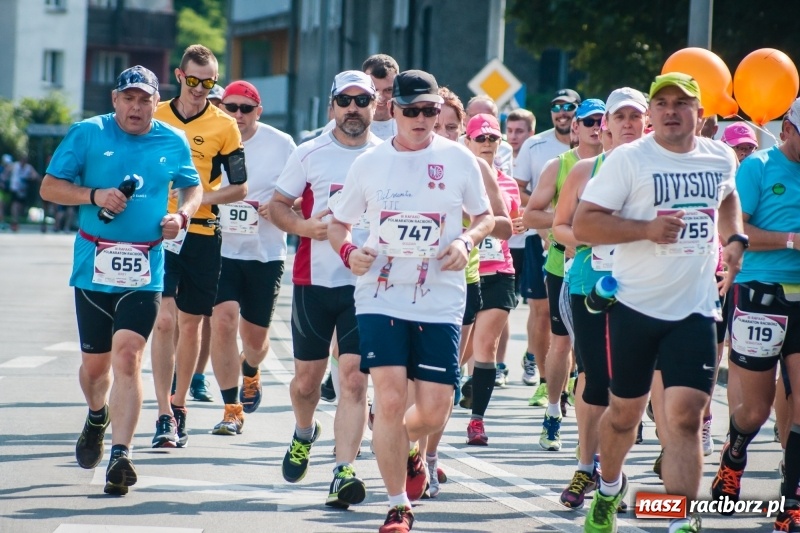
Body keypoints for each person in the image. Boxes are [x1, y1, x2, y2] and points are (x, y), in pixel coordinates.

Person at [574, 72, 744, 533]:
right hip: (634, 308)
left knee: (686, 417)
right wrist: (644, 230)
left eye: (682, 103)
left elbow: (727, 197)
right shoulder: (629, 160)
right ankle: (609, 489)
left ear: (700, 114)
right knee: (624, 415)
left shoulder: (719, 156)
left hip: (695, 310)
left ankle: (682, 520)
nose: (671, 110)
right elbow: (586, 224)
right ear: (650, 115)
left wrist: (734, 237)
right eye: (662, 103)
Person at [329, 69, 494, 533]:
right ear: (393, 111)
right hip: (380, 295)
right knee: (390, 395)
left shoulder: (459, 160)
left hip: (440, 297)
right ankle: (398, 505)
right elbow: (338, 226)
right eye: (412, 111)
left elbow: (486, 218)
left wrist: (466, 241)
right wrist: (348, 252)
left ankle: (403, 446)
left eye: (430, 111)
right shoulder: (368, 164)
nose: (422, 119)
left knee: (436, 408)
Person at [39, 65, 202, 495]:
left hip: (146, 268)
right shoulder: (87, 133)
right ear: (115, 101)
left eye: (145, 99)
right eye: (128, 98)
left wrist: (180, 216)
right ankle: (97, 415)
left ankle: (121, 454)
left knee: (128, 356)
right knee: (96, 369)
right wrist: (93, 195)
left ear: (156, 101)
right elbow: (50, 188)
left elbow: (192, 186)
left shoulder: (172, 139)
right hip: (94, 264)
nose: (136, 106)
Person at [269, 70, 382, 509]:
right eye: (345, 101)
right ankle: (303, 432)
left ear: (376, 106)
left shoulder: (386, 155)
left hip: (366, 286)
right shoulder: (309, 152)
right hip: (314, 281)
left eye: (362, 101)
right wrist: (302, 226)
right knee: (305, 384)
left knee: (354, 381)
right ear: (332, 105)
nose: (353, 109)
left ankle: (343, 471)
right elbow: (276, 206)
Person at [551, 86, 647, 509]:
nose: (628, 125)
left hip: (644, 287)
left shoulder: (659, 170)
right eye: (619, 117)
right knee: (593, 383)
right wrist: (592, 237)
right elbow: (559, 227)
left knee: (629, 386)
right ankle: (586, 467)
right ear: (605, 125)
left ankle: (613, 473)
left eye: (635, 117)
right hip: (590, 284)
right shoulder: (585, 169)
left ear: (647, 123)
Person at [150, 44, 247, 448]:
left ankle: (181, 402)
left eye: (208, 84)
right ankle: (162, 413)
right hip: (159, 232)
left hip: (203, 233)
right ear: (179, 76)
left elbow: (240, 187)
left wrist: (197, 199)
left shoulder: (225, 125)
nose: (200, 90)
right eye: (193, 81)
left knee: (190, 325)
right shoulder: (155, 116)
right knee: (165, 321)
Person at [710, 99, 800, 531]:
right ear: (787, 129)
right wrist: (790, 241)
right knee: (756, 410)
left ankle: (791, 500)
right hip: (761, 292)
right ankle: (735, 452)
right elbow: (736, 231)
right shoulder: (758, 167)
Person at [208, 80, 296, 435]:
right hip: (220, 251)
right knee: (223, 322)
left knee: (256, 341)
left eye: (246, 108)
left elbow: (304, 196)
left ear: (258, 112)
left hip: (265, 253)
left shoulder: (282, 144)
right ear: (221, 109)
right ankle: (232, 408)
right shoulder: (209, 137)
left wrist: (275, 209)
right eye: (231, 108)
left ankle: (252, 369)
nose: (239, 115)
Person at [524, 98, 605, 451]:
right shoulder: (561, 166)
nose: (596, 127)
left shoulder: (627, 163)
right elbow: (530, 216)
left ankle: (603, 424)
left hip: (612, 270)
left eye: (603, 120)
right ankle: (554, 411)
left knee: (602, 351)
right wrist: (565, 225)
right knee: (562, 342)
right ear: (576, 128)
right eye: (588, 122)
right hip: (563, 265)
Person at [515, 88, 580, 392]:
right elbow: (519, 191)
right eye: (556, 106)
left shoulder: (604, 149)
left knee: (580, 322)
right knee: (541, 312)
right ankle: (544, 379)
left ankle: (574, 378)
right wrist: (552, 223)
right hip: (538, 238)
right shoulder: (536, 144)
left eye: (569, 106)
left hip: (585, 245)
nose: (562, 111)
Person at [462, 113, 520, 445]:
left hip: (498, 271)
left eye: (492, 139)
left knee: (486, 345)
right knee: (458, 351)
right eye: (480, 138)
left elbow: (511, 224)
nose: (486, 144)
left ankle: (477, 420)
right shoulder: (455, 177)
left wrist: (517, 224)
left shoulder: (507, 183)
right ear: (467, 142)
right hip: (462, 272)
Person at [498, 109, 536, 386]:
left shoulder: (536, 152)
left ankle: (532, 355)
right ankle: (498, 364)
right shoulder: (497, 152)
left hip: (531, 239)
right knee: (504, 306)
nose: (513, 137)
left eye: (519, 131)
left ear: (530, 133)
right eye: (509, 131)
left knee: (537, 306)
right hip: (503, 243)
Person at [9, 155, 40, 232]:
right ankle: (14, 221)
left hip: (23, 190)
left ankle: (16, 220)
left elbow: (36, 176)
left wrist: (30, 177)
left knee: (20, 207)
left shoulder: (29, 167)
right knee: (15, 205)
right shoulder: (15, 165)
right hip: (15, 188)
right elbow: (7, 170)